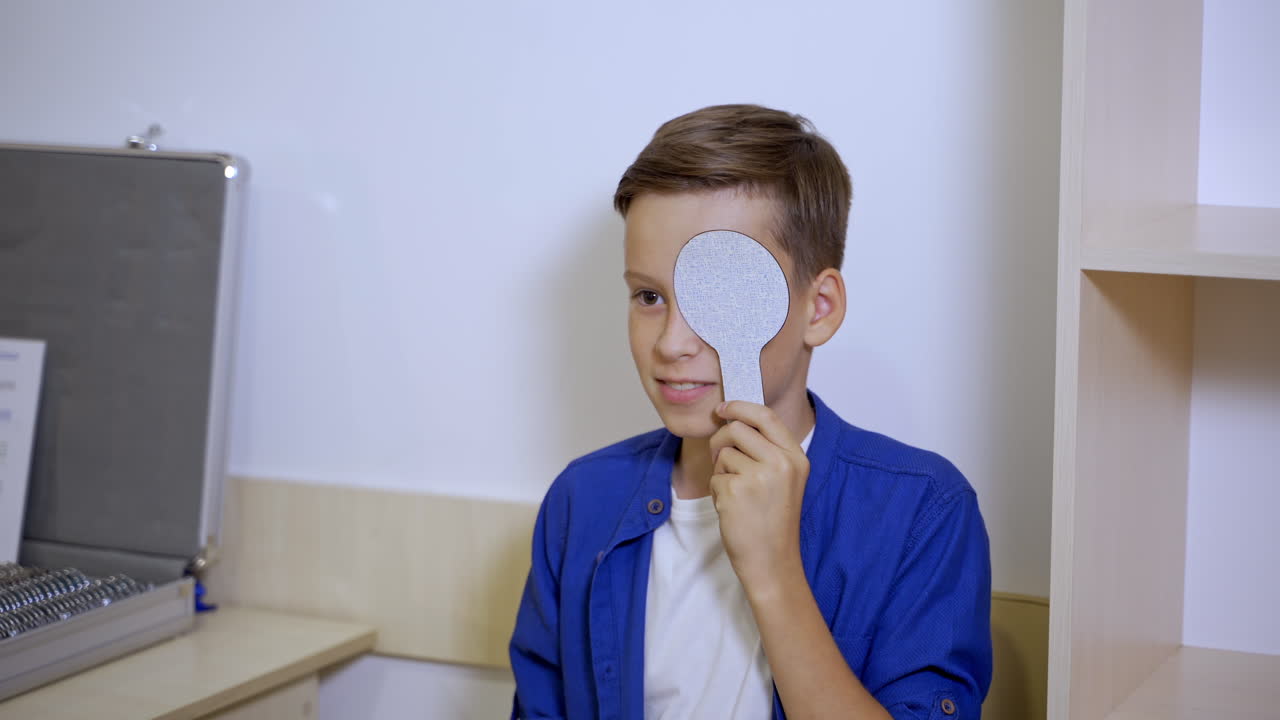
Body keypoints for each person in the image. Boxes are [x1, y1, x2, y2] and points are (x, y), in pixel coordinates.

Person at [509, 104, 992, 720]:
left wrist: (773, 571)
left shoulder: (923, 511)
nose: (672, 342)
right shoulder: (583, 503)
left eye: (718, 296)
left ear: (818, 308)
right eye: (649, 296)